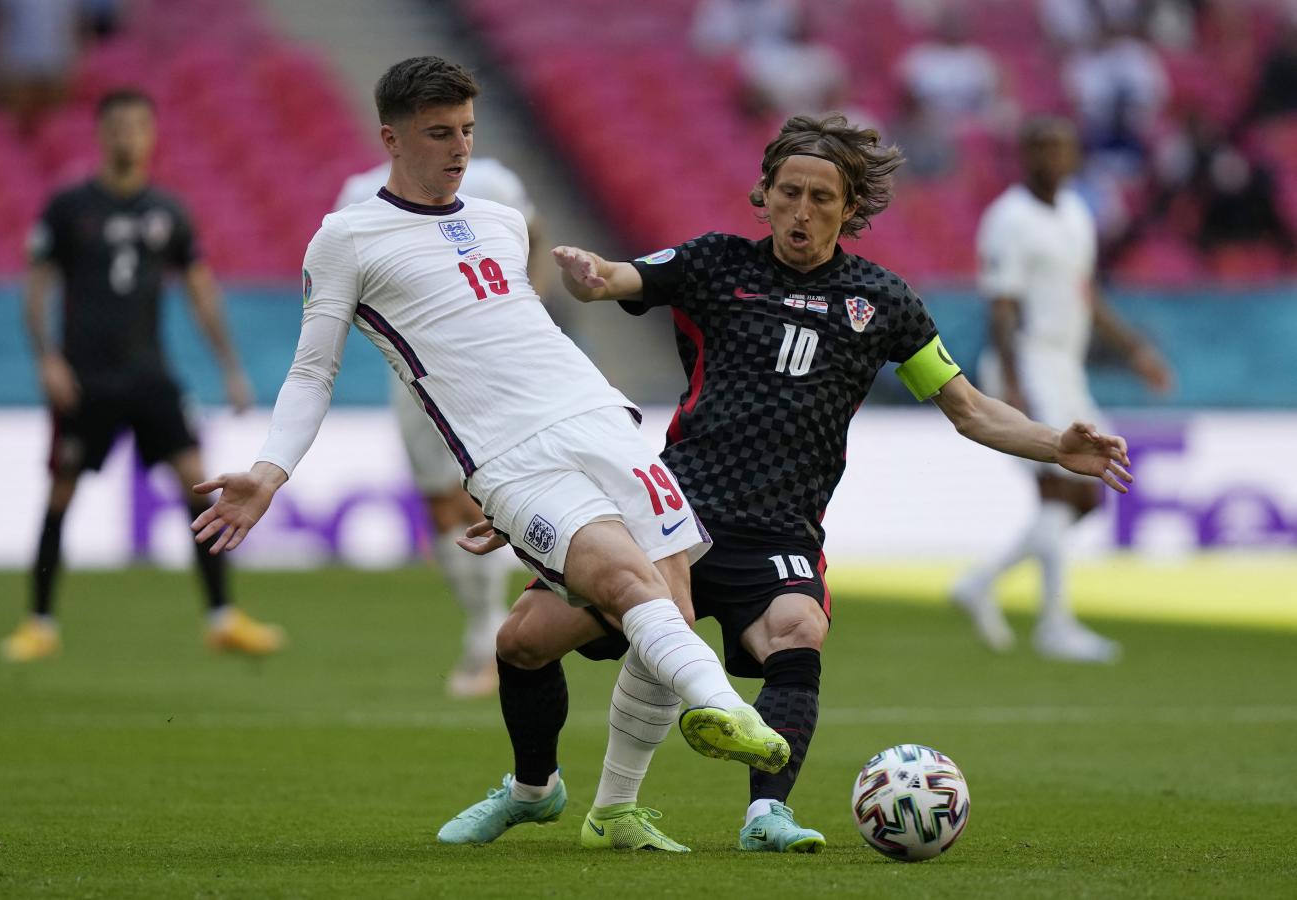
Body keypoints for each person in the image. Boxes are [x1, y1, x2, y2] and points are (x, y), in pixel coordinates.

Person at [438, 113, 1134, 853]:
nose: (803, 210)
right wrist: (594, 276)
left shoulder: (882, 303)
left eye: (821, 198)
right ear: (763, 196)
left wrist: (1056, 443)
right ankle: (534, 790)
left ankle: (765, 815)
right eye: (789, 192)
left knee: (799, 633)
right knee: (521, 642)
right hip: (667, 513)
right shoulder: (714, 266)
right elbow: (619, 278)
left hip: (776, 530)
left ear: (849, 208)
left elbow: (968, 410)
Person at [189, 56, 791, 789]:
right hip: (510, 454)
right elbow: (314, 372)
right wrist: (269, 472)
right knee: (629, 583)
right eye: (439, 134)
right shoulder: (346, 238)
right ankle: (730, 713)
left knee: (672, 594)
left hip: (596, 413)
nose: (459, 149)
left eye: (467, 131)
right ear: (393, 138)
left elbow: (513, 332)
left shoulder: (502, 220)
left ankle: (615, 808)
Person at [1, 88, 283, 662]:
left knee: (197, 484)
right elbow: (37, 287)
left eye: (138, 126)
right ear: (100, 134)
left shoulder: (169, 211)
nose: (128, 135)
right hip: (84, 380)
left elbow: (201, 289)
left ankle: (222, 617)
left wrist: (230, 366)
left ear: (152, 136)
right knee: (61, 493)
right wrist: (46, 358)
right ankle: (40, 622)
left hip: (150, 376)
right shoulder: (69, 207)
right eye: (118, 126)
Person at [953, 116, 1171, 662]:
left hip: (1064, 368)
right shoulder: (1008, 219)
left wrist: (1134, 350)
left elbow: (1085, 293)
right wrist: (1015, 387)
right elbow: (1001, 307)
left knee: (1091, 490)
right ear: (1025, 154)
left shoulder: (1077, 212)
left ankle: (981, 583)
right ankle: (1055, 624)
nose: (1054, 157)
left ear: (1075, 156)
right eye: (1043, 147)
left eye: (1063, 148)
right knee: (1058, 488)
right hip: (1026, 363)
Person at [333, 157, 550, 698]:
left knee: (487, 498)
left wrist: (531, 309)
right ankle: (487, 627)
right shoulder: (361, 191)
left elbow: (535, 235)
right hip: (414, 373)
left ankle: (496, 638)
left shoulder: (493, 181)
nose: (453, 140)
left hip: (493, 369)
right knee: (439, 505)